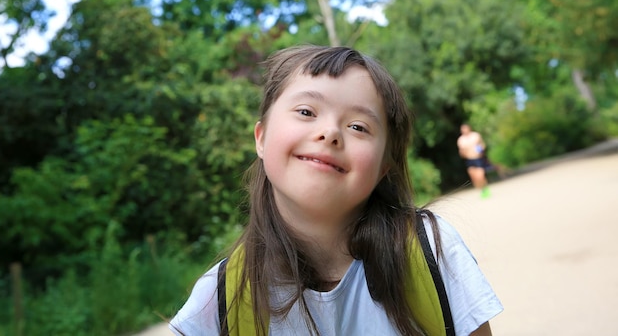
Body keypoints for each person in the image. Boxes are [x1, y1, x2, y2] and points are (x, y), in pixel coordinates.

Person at [170, 46, 502, 335]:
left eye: (358, 126)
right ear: (261, 137)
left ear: (384, 167)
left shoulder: (431, 252)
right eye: (306, 112)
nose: (330, 132)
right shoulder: (218, 301)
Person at [457, 124, 491, 198]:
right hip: (469, 160)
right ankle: (481, 190)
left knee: (480, 176)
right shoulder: (461, 140)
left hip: (478, 158)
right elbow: (461, 152)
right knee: (474, 177)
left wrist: (481, 150)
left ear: (469, 129)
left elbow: (482, 145)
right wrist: (463, 153)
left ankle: (485, 189)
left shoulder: (475, 136)